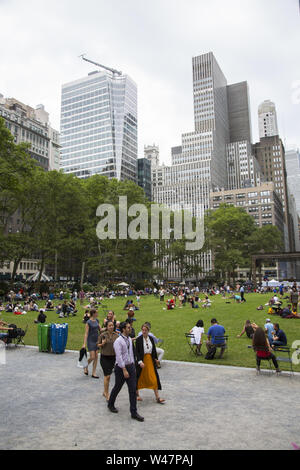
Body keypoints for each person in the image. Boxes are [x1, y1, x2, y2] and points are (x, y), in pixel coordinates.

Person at [107, 321, 144, 422]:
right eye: (128, 327)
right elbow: (118, 357)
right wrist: (124, 369)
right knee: (117, 387)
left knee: (132, 389)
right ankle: (110, 404)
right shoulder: (118, 342)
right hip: (121, 368)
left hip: (130, 366)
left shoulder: (129, 340)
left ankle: (134, 412)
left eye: (130, 327)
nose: (130, 329)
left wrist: (133, 366)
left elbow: (131, 353)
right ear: (123, 329)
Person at [135, 323, 165, 404]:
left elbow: (154, 350)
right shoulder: (138, 340)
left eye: (145, 330)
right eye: (143, 330)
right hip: (142, 360)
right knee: (139, 377)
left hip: (150, 361)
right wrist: (140, 361)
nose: (144, 332)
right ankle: (137, 394)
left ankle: (157, 397)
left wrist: (156, 359)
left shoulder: (151, 339)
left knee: (154, 378)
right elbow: (136, 352)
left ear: (148, 331)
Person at [98, 320, 119, 401]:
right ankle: (107, 393)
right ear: (106, 327)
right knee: (108, 376)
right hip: (104, 357)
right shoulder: (103, 335)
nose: (111, 327)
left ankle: (104, 391)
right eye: (109, 325)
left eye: (112, 325)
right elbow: (98, 345)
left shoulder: (116, 335)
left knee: (108, 376)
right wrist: (102, 344)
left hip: (113, 358)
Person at [82, 308, 101, 378]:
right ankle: (85, 365)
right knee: (92, 357)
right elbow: (86, 333)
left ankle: (94, 372)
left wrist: (109, 327)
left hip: (97, 340)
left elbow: (100, 329)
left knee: (96, 357)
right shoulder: (88, 322)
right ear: (93, 313)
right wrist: (84, 344)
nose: (98, 314)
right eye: (97, 313)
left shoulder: (97, 320)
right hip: (90, 341)